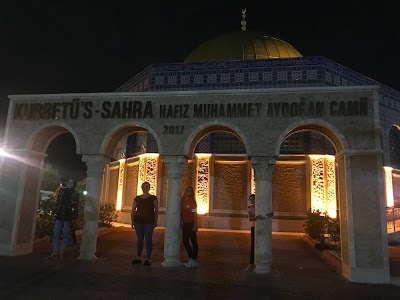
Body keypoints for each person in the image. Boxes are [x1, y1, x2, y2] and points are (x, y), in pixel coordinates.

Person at [49, 178, 79, 259]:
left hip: (68, 215)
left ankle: (61, 252)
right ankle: (55, 252)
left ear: (73, 184)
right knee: (56, 233)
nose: (70, 183)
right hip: (59, 214)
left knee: (65, 235)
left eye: (71, 182)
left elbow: (75, 206)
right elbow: (58, 202)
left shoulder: (75, 193)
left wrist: (74, 217)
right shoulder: (62, 191)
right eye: (69, 182)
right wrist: (54, 213)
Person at [131, 181, 158, 266]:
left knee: (148, 240)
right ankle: (138, 257)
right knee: (139, 240)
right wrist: (132, 221)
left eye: (147, 186)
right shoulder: (137, 198)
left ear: (149, 188)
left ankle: (148, 258)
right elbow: (133, 210)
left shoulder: (153, 198)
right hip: (138, 221)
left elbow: (156, 211)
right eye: (144, 186)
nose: (145, 188)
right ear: (141, 188)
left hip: (149, 222)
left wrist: (155, 221)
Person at [245, 194, 273, 271]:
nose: (251, 201)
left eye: (253, 199)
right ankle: (251, 263)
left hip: (262, 227)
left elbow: (271, 214)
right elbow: (250, 218)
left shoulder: (261, 207)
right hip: (253, 227)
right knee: (253, 245)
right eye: (250, 199)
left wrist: (267, 214)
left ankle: (263, 261)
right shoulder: (250, 208)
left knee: (263, 244)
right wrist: (257, 217)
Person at [181, 185, 199, 268]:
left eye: (189, 190)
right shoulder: (182, 200)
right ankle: (191, 258)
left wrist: (195, 224)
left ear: (191, 193)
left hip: (191, 223)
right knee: (185, 241)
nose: (187, 192)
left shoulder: (192, 201)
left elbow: (194, 213)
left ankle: (194, 260)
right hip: (184, 223)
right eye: (186, 190)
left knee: (193, 241)